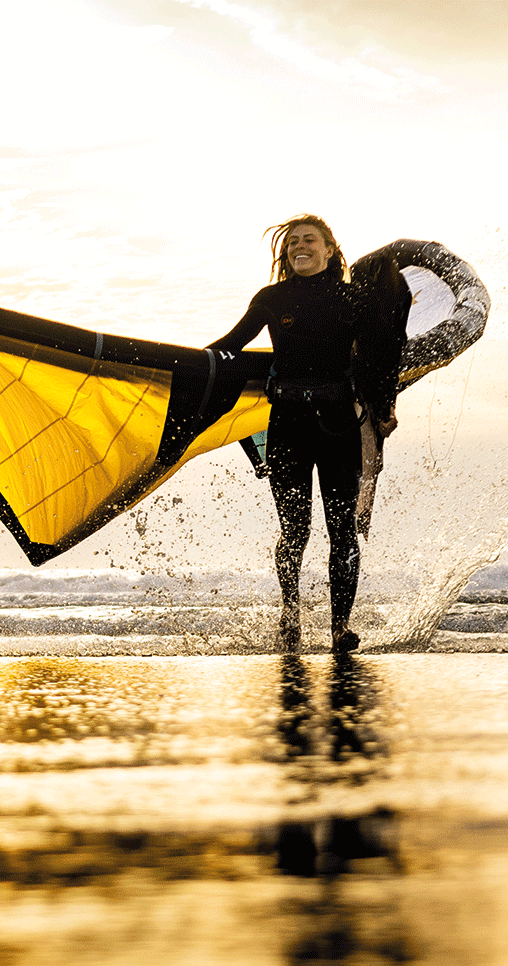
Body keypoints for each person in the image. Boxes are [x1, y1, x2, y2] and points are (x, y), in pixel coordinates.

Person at [207, 215, 408, 652]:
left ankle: (340, 629)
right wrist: (179, 370)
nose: (300, 247)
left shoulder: (356, 300)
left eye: (310, 240)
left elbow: (379, 361)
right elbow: (229, 346)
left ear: (330, 249)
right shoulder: (271, 298)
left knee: (342, 530)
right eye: (293, 241)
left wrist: (385, 407)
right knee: (295, 531)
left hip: (338, 426)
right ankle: (290, 612)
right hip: (288, 427)